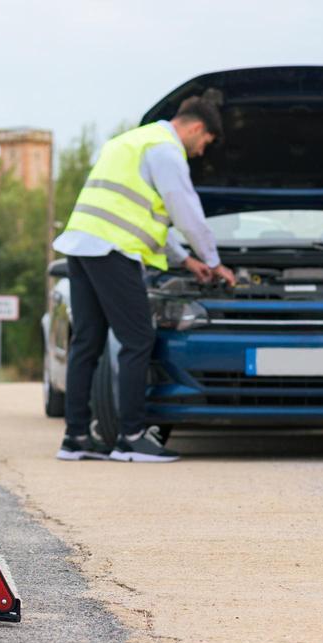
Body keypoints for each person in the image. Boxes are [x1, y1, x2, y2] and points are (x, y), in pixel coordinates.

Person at [53, 93, 236, 463]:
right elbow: (186, 212)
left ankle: (75, 438)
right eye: (205, 142)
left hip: (82, 246)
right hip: (113, 250)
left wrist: (186, 261)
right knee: (138, 338)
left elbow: (142, 213)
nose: (202, 151)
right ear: (196, 128)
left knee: (86, 342)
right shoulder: (166, 151)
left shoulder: (130, 142)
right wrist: (213, 261)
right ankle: (132, 438)